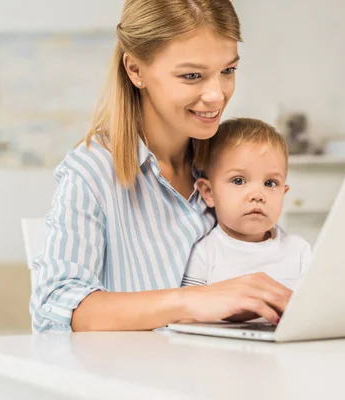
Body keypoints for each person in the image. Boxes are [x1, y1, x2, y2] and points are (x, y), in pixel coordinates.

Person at [30, 0, 292, 333]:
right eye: (192, 75)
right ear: (136, 70)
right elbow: (54, 307)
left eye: (227, 71)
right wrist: (191, 302)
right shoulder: (92, 172)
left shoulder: (229, 166)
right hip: (131, 379)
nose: (217, 95)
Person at [181, 118, 311, 291]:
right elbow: (187, 311)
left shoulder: (299, 252)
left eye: (270, 183)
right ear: (209, 192)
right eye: (239, 180)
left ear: (283, 193)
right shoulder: (204, 253)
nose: (258, 195)